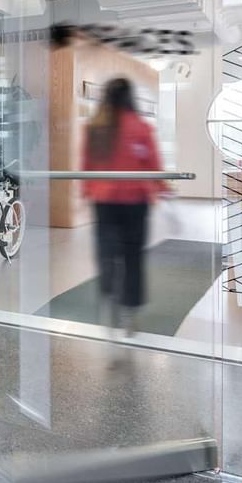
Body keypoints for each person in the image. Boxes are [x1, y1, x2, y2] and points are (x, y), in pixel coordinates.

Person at [81, 77, 165, 338]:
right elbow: (153, 165)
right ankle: (130, 311)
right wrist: (162, 189)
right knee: (133, 256)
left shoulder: (95, 127)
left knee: (106, 253)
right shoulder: (141, 127)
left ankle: (109, 300)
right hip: (135, 202)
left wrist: (87, 191)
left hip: (104, 201)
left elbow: (86, 165)